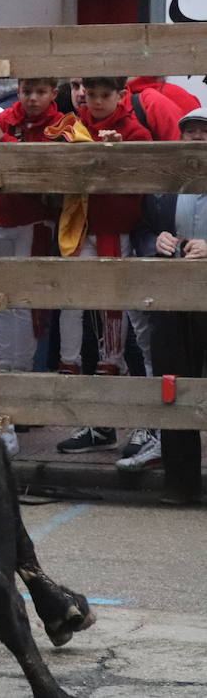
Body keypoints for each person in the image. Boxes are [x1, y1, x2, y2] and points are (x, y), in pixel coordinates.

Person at [51, 76, 151, 455]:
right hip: (80, 235)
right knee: (87, 330)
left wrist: (119, 155)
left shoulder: (135, 131)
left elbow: (145, 177)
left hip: (123, 238)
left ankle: (147, 428)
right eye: (89, 94)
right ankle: (99, 425)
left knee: (134, 338)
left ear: (121, 96)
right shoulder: (71, 127)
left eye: (103, 95)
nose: (94, 101)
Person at [129, 107, 207, 502]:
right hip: (172, 296)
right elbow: (140, 230)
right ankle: (181, 484)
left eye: (203, 132)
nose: (196, 138)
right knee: (172, 385)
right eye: (190, 132)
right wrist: (155, 242)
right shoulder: (163, 182)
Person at [0, 78, 62, 374]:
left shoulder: (62, 125)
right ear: (17, 91)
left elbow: (42, 170)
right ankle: (7, 371)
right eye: (27, 91)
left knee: (27, 302)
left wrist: (3, 142)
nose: (33, 98)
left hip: (34, 220)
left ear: (54, 93)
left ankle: (25, 373)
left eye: (41, 92)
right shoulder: (5, 119)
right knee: (0, 300)